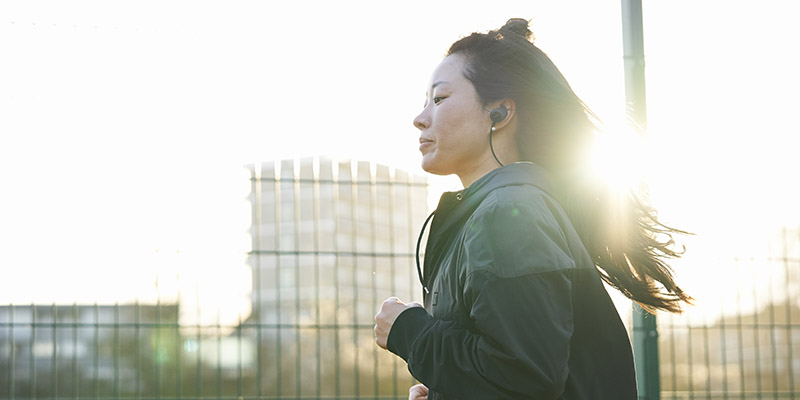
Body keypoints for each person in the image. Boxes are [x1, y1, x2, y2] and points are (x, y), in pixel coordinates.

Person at [373, 18, 692, 400]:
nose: (420, 117)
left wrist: (410, 331)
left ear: (500, 113)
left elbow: (523, 379)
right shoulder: (498, 211)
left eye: (439, 99)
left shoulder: (510, 214)